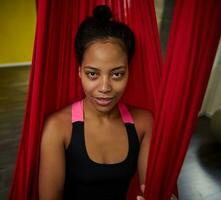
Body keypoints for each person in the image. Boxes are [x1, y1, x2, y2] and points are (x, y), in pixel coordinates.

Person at [39, 5, 176, 200]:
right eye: (92, 74)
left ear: (129, 72)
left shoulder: (143, 123)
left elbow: (151, 188)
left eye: (117, 74)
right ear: (79, 72)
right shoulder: (58, 127)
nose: (105, 87)